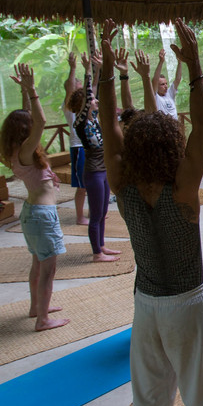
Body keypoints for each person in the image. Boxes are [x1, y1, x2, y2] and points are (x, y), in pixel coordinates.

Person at [97, 18, 203, 406]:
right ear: (172, 144)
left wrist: (107, 74)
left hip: (147, 303)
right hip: (186, 303)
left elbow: (108, 126)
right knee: (199, 387)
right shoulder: (183, 188)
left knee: (148, 389)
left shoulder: (123, 186)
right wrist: (193, 68)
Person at [0, 63, 68, 332]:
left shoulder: (18, 150)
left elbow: (28, 117)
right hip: (41, 216)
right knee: (48, 270)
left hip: (32, 214)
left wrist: (25, 91)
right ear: (25, 130)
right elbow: (40, 121)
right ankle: (43, 319)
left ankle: (35, 307)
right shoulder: (26, 150)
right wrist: (34, 92)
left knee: (37, 265)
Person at [67, 53, 121, 262]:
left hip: (103, 170)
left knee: (103, 211)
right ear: (85, 104)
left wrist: (98, 70)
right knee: (96, 213)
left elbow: (96, 91)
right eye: (92, 100)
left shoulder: (95, 119)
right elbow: (91, 92)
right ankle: (96, 253)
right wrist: (88, 72)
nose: (96, 101)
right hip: (93, 172)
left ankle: (102, 245)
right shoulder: (80, 123)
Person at [63, 52, 88, 225]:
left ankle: (93, 212)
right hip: (78, 147)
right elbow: (70, 89)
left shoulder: (87, 107)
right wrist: (73, 68)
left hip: (89, 147)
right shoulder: (69, 108)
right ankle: (79, 216)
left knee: (92, 183)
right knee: (82, 185)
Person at [152, 47, 183, 117]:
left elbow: (178, 79)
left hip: (175, 126)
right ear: (156, 86)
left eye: (166, 83)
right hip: (163, 127)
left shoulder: (170, 93)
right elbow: (154, 80)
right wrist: (161, 62)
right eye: (162, 84)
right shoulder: (155, 96)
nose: (166, 86)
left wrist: (179, 62)